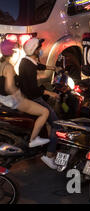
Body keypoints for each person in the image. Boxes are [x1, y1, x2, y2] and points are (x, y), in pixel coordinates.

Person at [18, 38, 60, 169]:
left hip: (26, 96)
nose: (40, 50)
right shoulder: (29, 67)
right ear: (34, 50)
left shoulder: (26, 61)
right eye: (39, 48)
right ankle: (50, 155)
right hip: (34, 98)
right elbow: (33, 90)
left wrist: (52, 67)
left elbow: (38, 65)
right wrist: (49, 93)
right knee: (56, 124)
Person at [0, 40, 50, 148]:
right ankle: (33, 140)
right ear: (12, 52)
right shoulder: (8, 67)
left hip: (2, 99)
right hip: (11, 100)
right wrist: (20, 96)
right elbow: (9, 87)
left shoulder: (1, 64)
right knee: (44, 112)